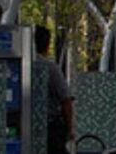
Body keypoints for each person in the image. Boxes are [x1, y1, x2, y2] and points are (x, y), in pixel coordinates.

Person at [35, 26, 73, 154]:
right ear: (47, 46)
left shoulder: (17, 64)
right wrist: (70, 129)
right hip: (50, 128)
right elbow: (66, 101)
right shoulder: (50, 68)